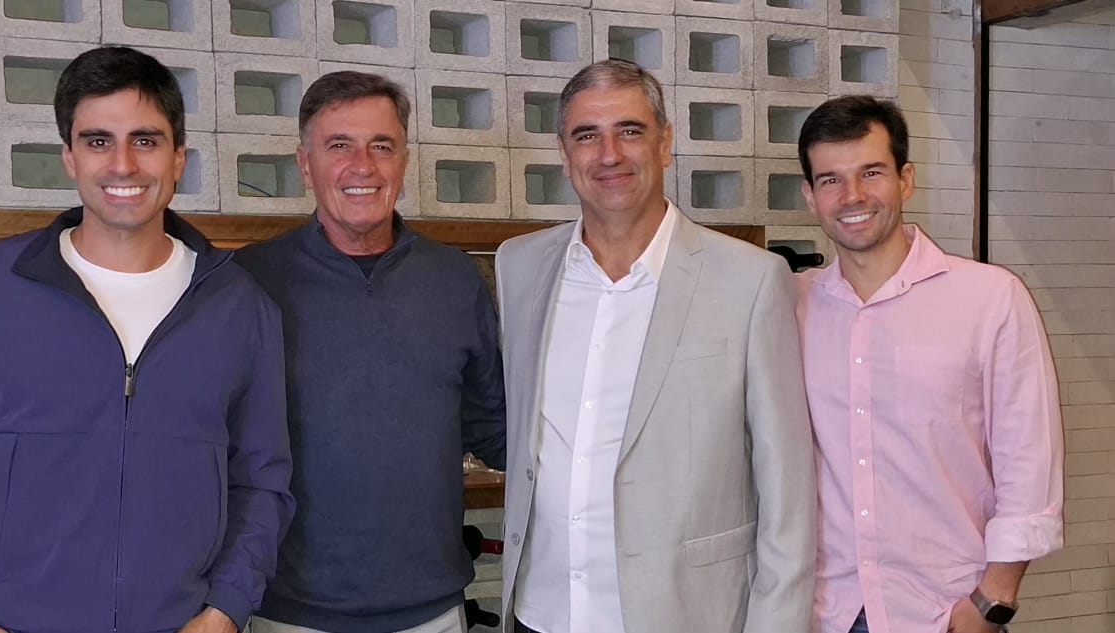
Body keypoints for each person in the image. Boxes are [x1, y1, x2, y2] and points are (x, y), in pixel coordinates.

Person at [0, 46, 294, 633]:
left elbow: (264, 481)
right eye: (98, 141)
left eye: (145, 140)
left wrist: (225, 610)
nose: (123, 165)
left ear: (179, 157)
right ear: (69, 157)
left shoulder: (239, 304)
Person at [495, 59, 816, 633]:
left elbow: (786, 488)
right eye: (586, 135)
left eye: (630, 130)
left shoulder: (751, 279)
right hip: (542, 611)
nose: (609, 154)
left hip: (684, 614)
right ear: (564, 154)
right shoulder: (519, 266)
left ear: (665, 143)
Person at [232, 71, 506, 633]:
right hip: (291, 611)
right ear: (305, 163)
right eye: (339, 146)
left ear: (404, 160)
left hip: (432, 609)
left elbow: (494, 426)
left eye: (382, 146)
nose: (363, 166)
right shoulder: (248, 282)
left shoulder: (455, 277)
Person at [795, 95, 1063, 633]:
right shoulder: (790, 304)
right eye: (831, 180)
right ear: (810, 196)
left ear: (906, 179)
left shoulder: (989, 298)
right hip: (825, 612)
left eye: (872, 172)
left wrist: (993, 601)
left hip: (943, 612)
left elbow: (1028, 459)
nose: (852, 196)